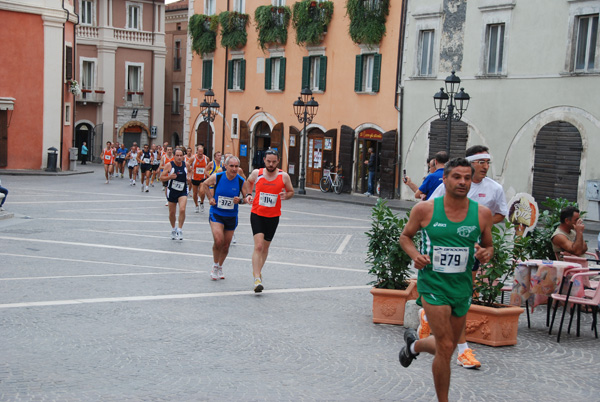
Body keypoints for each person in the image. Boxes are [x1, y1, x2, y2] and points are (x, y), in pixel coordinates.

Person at [398, 157, 494, 402]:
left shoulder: (482, 214)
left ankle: (413, 346)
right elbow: (405, 237)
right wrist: (415, 256)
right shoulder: (425, 210)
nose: (463, 182)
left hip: (462, 288)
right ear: (444, 178)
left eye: (467, 178)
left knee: (448, 345)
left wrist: (485, 253)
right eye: (457, 177)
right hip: (433, 286)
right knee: (445, 345)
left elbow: (488, 246)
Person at [427, 145, 508, 368]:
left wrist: (477, 227)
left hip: (470, 251)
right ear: (470, 163)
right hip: (441, 248)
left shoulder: (495, 189)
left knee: (462, 300)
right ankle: (435, 322)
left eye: (488, 162)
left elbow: (501, 213)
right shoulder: (450, 184)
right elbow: (427, 208)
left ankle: (454, 343)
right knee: (446, 297)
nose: (485, 166)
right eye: (481, 161)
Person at [243, 149, 295, 292]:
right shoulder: (257, 173)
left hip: (273, 216)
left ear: (278, 161)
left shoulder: (283, 176)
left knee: (265, 248)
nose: (271, 164)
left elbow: (291, 191)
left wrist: (287, 195)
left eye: (273, 162)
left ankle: (258, 272)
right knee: (258, 246)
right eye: (268, 161)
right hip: (257, 214)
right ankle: (257, 278)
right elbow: (249, 182)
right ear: (264, 160)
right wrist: (248, 194)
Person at [202, 156, 247, 280]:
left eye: (236, 166)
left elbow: (248, 197)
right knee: (218, 240)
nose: (234, 169)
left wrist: (241, 200)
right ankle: (215, 265)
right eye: (231, 166)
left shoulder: (240, 181)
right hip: (216, 213)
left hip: (231, 216)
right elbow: (205, 184)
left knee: (226, 245)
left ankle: (220, 266)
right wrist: (210, 198)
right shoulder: (218, 176)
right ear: (225, 166)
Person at [160, 148, 188, 240]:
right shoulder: (169, 165)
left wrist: (189, 178)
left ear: (183, 156)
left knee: (182, 209)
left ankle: (180, 229)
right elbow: (161, 178)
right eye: (177, 155)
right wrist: (169, 177)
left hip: (182, 191)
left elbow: (190, 172)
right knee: (172, 212)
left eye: (181, 155)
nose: (179, 157)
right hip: (172, 191)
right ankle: (173, 229)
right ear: (174, 156)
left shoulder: (186, 165)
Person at [188, 145, 210, 213]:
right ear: (197, 151)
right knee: (195, 193)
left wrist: (208, 171)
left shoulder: (206, 158)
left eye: (202, 151)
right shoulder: (193, 158)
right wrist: (190, 171)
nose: (200, 153)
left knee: (202, 191)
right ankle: (196, 205)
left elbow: (209, 166)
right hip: (195, 177)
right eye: (199, 151)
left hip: (203, 178)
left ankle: (202, 202)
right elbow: (187, 164)